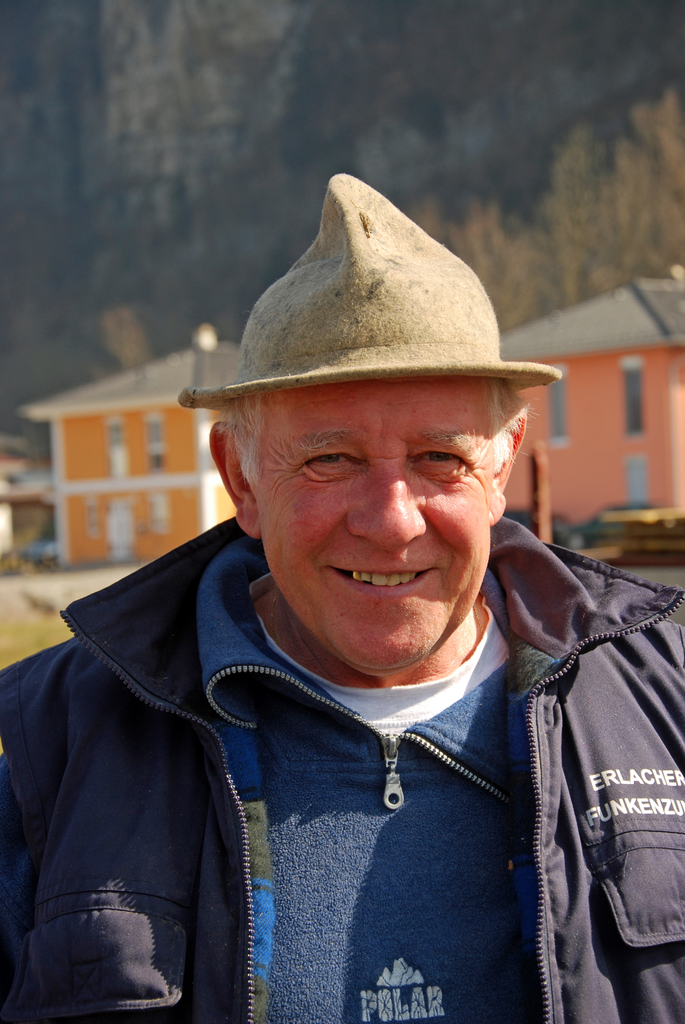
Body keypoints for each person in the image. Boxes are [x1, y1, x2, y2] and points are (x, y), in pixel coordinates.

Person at [0, 175, 684, 1024]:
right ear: (240, 477)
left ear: (502, 463)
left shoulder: (663, 699)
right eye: (330, 460)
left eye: (440, 458)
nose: (391, 523)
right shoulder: (55, 749)